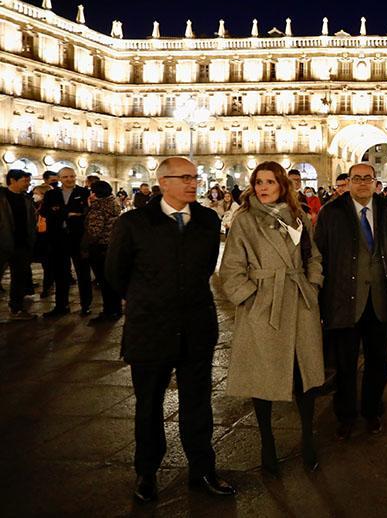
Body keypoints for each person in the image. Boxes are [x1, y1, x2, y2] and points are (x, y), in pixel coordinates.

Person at [105, 157, 236, 503]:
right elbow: (116, 274)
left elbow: (206, 268)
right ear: (163, 182)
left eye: (195, 177)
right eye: (185, 178)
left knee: (199, 403)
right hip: (150, 327)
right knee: (148, 404)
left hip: (196, 327)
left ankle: (202, 469)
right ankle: (147, 472)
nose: (194, 183)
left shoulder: (208, 220)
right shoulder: (134, 222)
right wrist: (147, 300)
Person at [219, 161, 325, 475]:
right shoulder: (245, 220)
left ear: (282, 185)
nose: (263, 187)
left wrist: (314, 284)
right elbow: (231, 270)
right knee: (262, 377)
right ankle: (267, 444)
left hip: (300, 302)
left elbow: (313, 256)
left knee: (304, 376)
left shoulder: (299, 217)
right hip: (265, 306)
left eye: (270, 182)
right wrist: (252, 297)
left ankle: (308, 438)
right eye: (259, 181)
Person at [315, 162, 387, 441]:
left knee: (379, 362)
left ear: (375, 181)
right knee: (344, 364)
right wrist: (322, 301)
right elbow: (319, 258)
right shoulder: (331, 213)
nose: (362, 183)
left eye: (367, 178)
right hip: (344, 300)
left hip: (381, 301)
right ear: (348, 181)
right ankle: (345, 415)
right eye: (356, 178)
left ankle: (372, 410)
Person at [41, 166, 92, 317]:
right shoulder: (51, 194)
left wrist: (60, 212)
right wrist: (68, 213)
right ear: (60, 179)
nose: (69, 179)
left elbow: (86, 213)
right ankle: (61, 306)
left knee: (83, 273)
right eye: (65, 177)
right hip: (58, 238)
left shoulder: (84, 192)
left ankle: (86, 305)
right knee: (60, 273)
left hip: (78, 238)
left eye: (72, 176)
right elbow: (45, 211)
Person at [83, 180, 123, 323]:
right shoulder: (114, 203)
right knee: (111, 280)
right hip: (112, 245)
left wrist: (86, 244)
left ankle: (109, 311)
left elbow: (95, 231)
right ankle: (116, 309)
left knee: (104, 282)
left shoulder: (98, 208)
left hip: (100, 248)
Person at [0, 169, 37, 320]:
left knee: (19, 278)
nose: (28, 184)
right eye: (25, 181)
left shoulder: (26, 199)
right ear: (13, 181)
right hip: (2, 243)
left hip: (21, 244)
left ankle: (16, 308)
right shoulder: (1, 197)